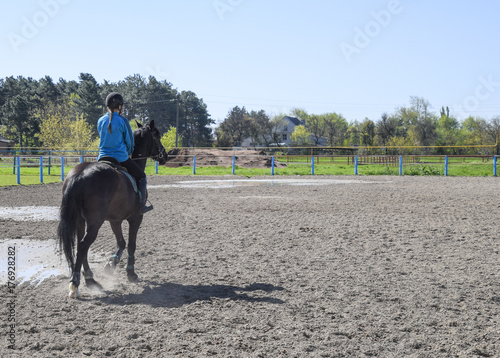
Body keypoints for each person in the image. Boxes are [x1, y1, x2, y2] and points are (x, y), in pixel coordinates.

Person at [97, 92, 153, 214]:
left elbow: (102, 136)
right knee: (142, 176)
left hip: (102, 157)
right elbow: (129, 141)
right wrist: (129, 153)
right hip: (120, 158)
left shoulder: (100, 120)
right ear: (120, 106)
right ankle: (141, 205)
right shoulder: (122, 121)